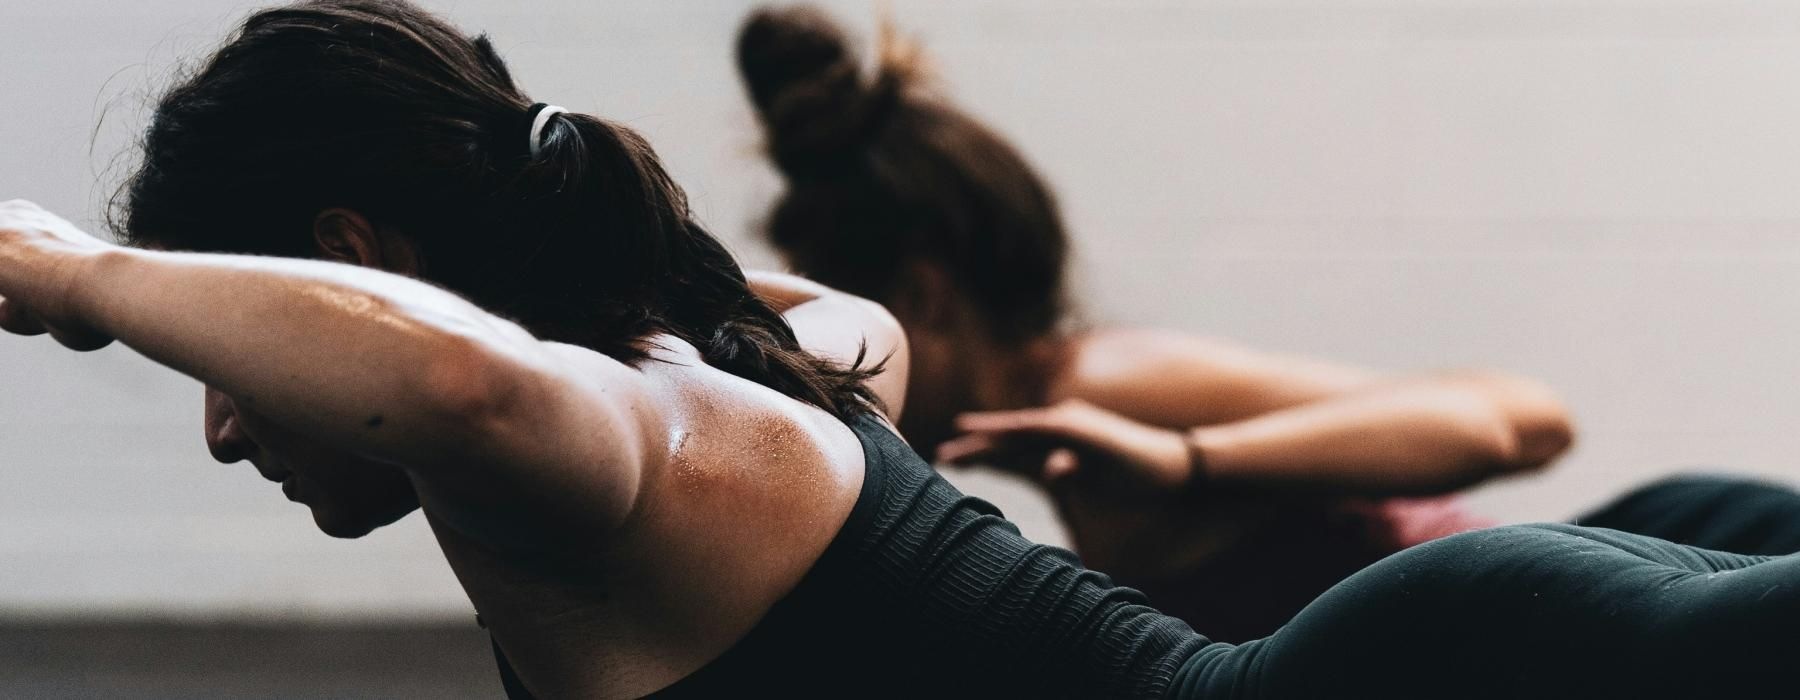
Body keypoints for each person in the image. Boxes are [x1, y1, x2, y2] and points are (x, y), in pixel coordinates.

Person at [3, 1, 1797, 697]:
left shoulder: (630, 448)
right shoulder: (787, 356)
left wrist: (76, 277)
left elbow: (459, 376)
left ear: (349, 266)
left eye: (223, 349)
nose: (233, 423)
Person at [735, 4, 1800, 640]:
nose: (825, 369)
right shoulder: (1069, 439)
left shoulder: (1107, 387)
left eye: (837, 326)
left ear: (922, 297)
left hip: (1646, 587)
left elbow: (1518, 421)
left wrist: (1192, 461)